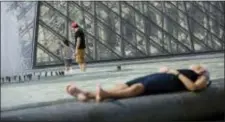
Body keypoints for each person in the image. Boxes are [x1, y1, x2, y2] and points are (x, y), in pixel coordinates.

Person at [66, 64, 210, 102]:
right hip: (157, 76)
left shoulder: (203, 76)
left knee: (137, 88)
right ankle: (85, 93)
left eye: (198, 66)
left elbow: (194, 88)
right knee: (122, 85)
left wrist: (175, 72)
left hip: (163, 83)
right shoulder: (191, 72)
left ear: (202, 69)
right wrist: (167, 70)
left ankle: (104, 94)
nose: (194, 66)